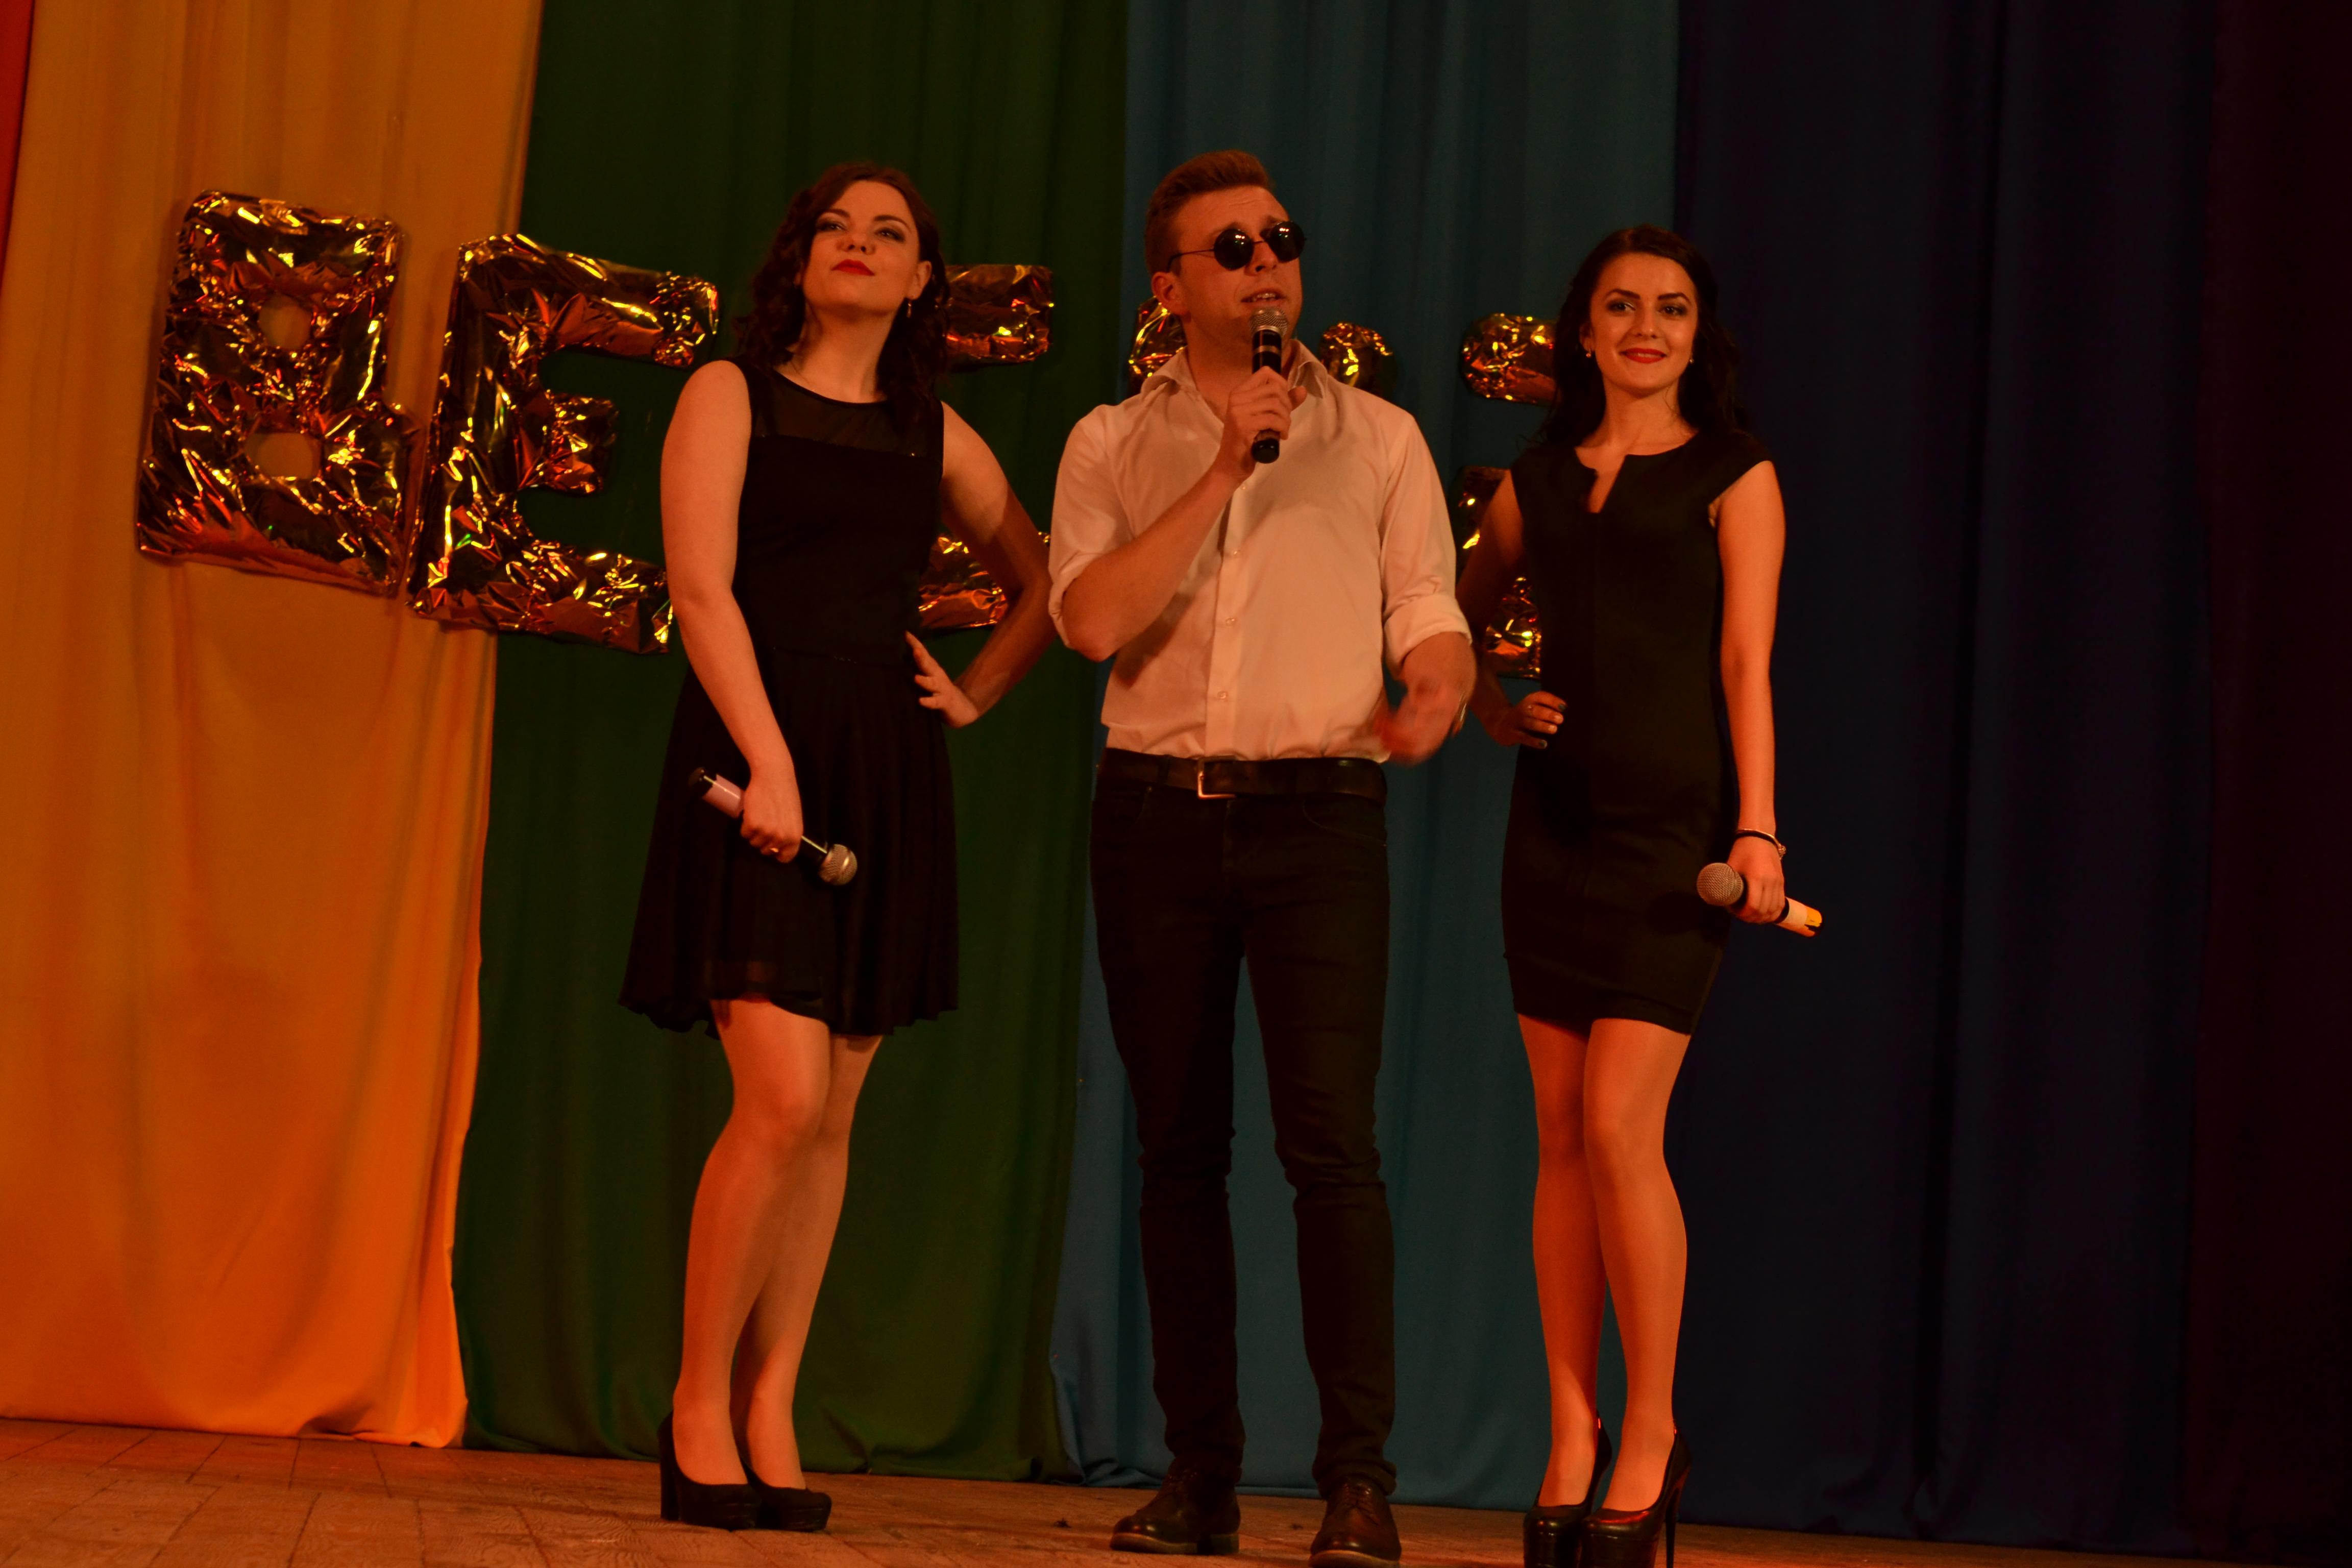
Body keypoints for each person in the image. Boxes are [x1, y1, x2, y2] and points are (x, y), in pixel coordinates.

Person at [1050, 150, 1476, 1568]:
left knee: (1330, 1147)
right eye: (1229, 248)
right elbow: (1090, 623)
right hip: (1154, 813)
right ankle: (1202, 1478)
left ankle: (1358, 1483)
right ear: (1171, 286)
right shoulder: (1111, 441)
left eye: (1279, 239)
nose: (1266, 264)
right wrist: (1227, 461)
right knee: (1178, 1149)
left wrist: (1439, 683)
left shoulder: (1383, 439)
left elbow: (1427, 607)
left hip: (1317, 818)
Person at [619, 162, 1052, 1531]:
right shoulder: (727, 393)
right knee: (783, 1098)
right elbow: (702, 592)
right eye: (836, 228)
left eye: (890, 234)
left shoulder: (937, 433)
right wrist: (770, 762)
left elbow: (1047, 581)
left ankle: (772, 1403)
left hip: (881, 766)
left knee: (835, 1114)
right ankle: (697, 1404)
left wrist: (975, 691)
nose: (859, 245)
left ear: (922, 280)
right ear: (799, 259)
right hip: (757, 749)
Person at [1455, 225, 1787, 1568]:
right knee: (1558, 1134)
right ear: (1583, 332)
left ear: (1698, 336)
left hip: (1676, 839)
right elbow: (1455, 611)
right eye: (1621, 305)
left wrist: (1759, 830)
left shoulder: (1735, 474)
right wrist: (1495, 704)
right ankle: (1569, 1433)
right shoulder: (1537, 480)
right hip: (1552, 832)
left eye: (1672, 307)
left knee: (1616, 1128)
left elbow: (1748, 663)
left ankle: (1651, 1434)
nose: (1647, 326)